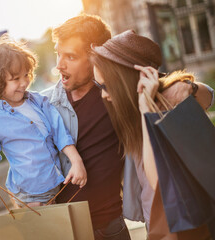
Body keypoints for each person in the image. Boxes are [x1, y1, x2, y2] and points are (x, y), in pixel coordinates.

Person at [42, 13, 214, 239]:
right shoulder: (46, 105)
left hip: (115, 226)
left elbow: (203, 96)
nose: (59, 65)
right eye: (58, 53)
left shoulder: (121, 93)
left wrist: (186, 88)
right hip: (65, 226)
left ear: (94, 55)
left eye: (70, 56)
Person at [90, 29, 214, 239]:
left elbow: (158, 182)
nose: (103, 94)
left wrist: (185, 89)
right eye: (97, 85)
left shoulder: (162, 105)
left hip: (179, 224)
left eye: (104, 86)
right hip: (157, 220)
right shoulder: (127, 111)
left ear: (125, 79)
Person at [0, 38, 87, 208]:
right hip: (30, 194)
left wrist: (76, 162)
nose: (24, 82)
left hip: (57, 182)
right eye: (15, 78)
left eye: (26, 75)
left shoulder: (38, 101)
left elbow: (60, 132)